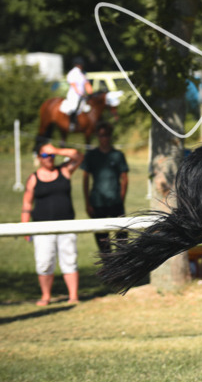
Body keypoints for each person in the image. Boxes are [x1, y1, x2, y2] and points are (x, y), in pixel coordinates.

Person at [22, 143, 83, 306]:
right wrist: (24, 227)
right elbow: (27, 204)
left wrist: (55, 150)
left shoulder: (64, 170)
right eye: (44, 155)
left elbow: (78, 156)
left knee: (70, 260)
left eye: (51, 156)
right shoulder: (33, 178)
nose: (49, 158)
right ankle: (46, 296)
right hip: (41, 227)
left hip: (66, 225)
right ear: (38, 158)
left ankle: (73, 296)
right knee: (44, 261)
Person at [81, 121, 129, 253]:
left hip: (115, 201)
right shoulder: (91, 155)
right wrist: (87, 203)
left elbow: (125, 179)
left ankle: (123, 268)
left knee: (122, 240)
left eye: (107, 135)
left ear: (110, 136)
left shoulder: (118, 155)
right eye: (101, 135)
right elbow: (85, 179)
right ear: (98, 136)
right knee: (102, 242)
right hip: (97, 202)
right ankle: (109, 268)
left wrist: (121, 199)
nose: (104, 138)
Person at [61, 56, 93, 131]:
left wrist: (91, 93)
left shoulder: (83, 73)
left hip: (83, 95)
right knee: (74, 107)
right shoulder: (72, 73)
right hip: (74, 95)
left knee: (88, 107)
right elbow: (74, 86)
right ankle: (72, 123)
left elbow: (87, 84)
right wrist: (81, 93)